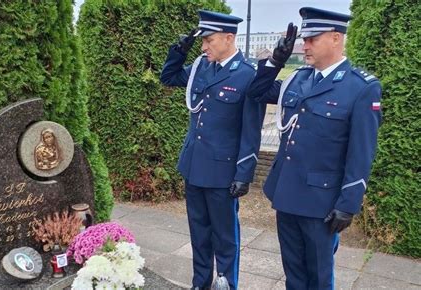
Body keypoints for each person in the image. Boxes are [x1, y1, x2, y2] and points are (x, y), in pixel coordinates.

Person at [247, 7, 382, 290]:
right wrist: (275, 60)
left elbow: (362, 152)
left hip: (322, 201)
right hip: (286, 193)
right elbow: (258, 93)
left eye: (312, 39)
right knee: (293, 274)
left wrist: (348, 203)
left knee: (319, 277)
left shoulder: (360, 88)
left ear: (335, 38)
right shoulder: (298, 78)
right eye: (304, 39)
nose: (304, 45)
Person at [160, 10, 264, 290]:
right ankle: (200, 283)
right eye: (202, 41)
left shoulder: (247, 75)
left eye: (209, 40)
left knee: (225, 237)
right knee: (199, 233)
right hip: (193, 165)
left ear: (229, 38)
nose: (204, 46)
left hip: (223, 171)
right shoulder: (200, 67)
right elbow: (168, 77)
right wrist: (179, 50)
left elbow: (251, 130)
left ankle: (227, 284)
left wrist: (244, 173)